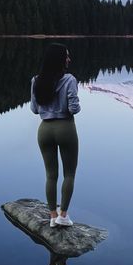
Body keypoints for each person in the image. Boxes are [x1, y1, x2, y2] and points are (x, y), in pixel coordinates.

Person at [31, 43, 80, 227]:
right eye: (66, 56)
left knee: (50, 175)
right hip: (65, 128)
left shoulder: (36, 80)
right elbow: (73, 108)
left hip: (44, 130)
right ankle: (63, 216)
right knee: (69, 174)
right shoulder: (69, 80)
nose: (69, 59)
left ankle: (52, 216)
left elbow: (34, 109)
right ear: (59, 60)